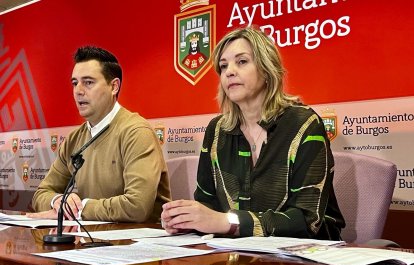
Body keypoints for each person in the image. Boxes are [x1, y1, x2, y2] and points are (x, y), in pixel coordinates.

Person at [161, 27, 345, 239]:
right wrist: (188, 220)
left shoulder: (303, 124)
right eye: (223, 66)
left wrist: (227, 222)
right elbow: (207, 204)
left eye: (241, 62)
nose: (229, 71)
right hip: (238, 255)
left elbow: (307, 219)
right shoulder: (217, 130)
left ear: (267, 70)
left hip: (307, 257)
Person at [28, 46, 171, 222]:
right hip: (92, 240)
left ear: (114, 86)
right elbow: (41, 194)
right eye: (75, 83)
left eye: (88, 82)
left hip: (139, 242)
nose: (78, 91)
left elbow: (137, 206)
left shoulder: (136, 132)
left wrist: (79, 209)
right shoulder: (74, 139)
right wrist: (58, 201)